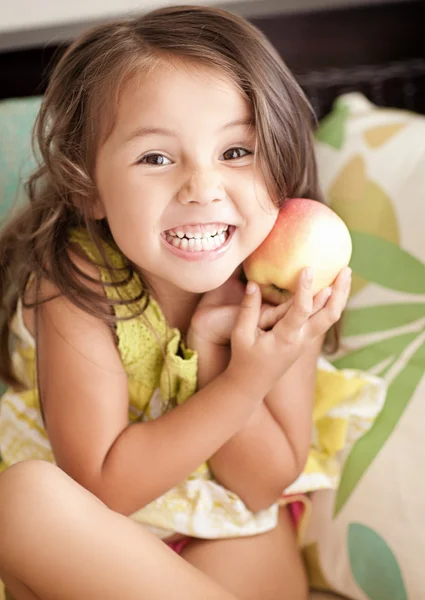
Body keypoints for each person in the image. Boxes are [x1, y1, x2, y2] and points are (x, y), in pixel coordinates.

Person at [0, 5, 353, 599]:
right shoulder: (76, 283)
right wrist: (245, 385)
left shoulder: (286, 279)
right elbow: (105, 489)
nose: (202, 187)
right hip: (101, 529)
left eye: (236, 152)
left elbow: (262, 486)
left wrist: (226, 360)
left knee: (256, 538)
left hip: (231, 522)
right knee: (22, 501)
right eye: (156, 158)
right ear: (89, 187)